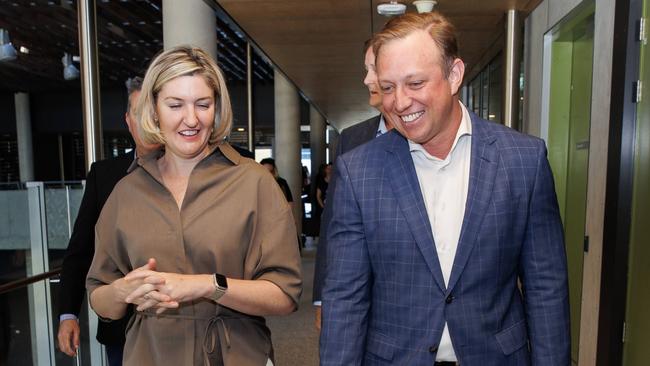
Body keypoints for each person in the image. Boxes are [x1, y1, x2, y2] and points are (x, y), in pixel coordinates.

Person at [320, 12, 570, 366]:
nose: (400, 102)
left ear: (454, 75)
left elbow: (546, 289)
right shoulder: (358, 171)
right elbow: (345, 298)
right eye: (388, 87)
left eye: (415, 83)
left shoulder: (524, 161)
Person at [86, 46, 302, 366]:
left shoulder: (253, 183)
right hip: (149, 355)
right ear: (155, 109)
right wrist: (124, 291)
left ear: (216, 108)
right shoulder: (126, 192)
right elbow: (99, 297)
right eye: (175, 105)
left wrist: (206, 285)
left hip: (236, 354)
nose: (192, 119)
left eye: (203, 104)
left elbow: (284, 296)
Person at [57, 76, 158, 365]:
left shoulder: (191, 175)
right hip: (121, 328)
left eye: (154, 113)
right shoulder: (104, 175)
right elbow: (80, 250)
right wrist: (68, 314)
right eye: (139, 114)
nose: (147, 122)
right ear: (128, 121)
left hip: (180, 323)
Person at [312, 39, 393, 329]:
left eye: (375, 68)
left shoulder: (430, 140)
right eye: (366, 69)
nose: (366, 79)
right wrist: (322, 298)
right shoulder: (352, 138)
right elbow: (332, 223)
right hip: (357, 295)